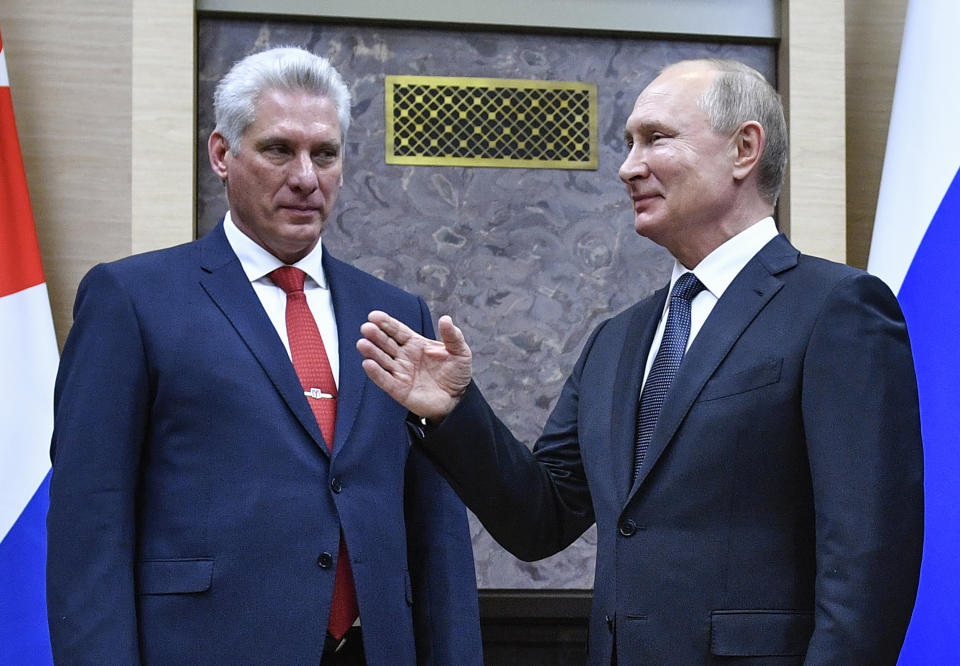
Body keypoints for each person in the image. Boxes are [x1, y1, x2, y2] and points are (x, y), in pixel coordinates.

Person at [357, 59, 923, 665]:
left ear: (744, 148)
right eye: (628, 144)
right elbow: (540, 519)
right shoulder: (617, 340)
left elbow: (868, 560)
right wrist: (454, 413)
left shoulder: (836, 310)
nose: (628, 167)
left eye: (656, 138)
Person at [46, 46, 482, 665]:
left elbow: (435, 528)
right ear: (223, 155)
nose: (306, 176)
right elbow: (89, 524)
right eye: (280, 150)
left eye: (324, 154)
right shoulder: (133, 299)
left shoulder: (395, 313)